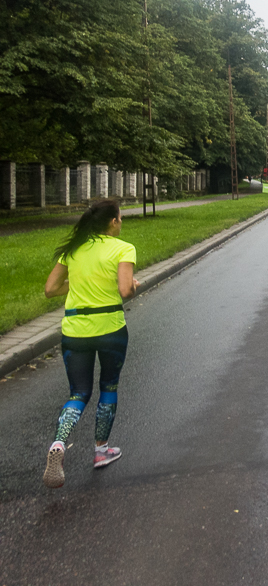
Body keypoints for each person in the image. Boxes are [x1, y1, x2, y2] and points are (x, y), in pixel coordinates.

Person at [42, 199, 139, 488]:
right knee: (108, 386)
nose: (121, 223)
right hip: (110, 329)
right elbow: (124, 289)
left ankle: (59, 443)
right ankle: (101, 451)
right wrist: (135, 285)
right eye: (120, 219)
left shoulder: (73, 250)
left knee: (78, 392)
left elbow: (50, 290)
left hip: (75, 331)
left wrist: (80, 283)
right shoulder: (123, 248)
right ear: (112, 222)